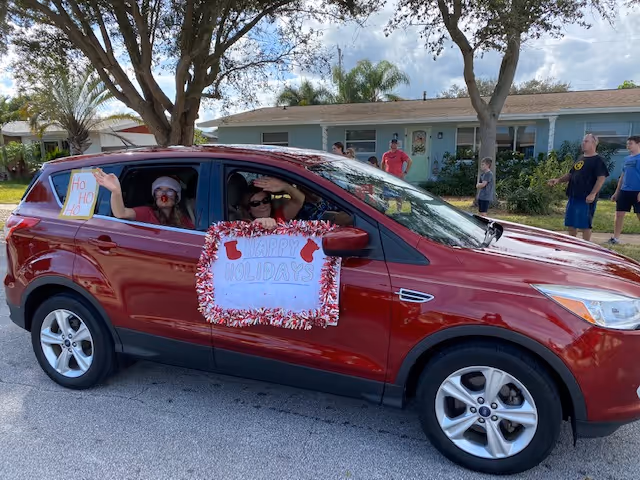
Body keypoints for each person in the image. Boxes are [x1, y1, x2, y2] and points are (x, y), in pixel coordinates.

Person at [548, 133, 608, 242]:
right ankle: (572, 244)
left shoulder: (598, 160)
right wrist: (558, 180)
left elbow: (601, 178)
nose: (583, 143)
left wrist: (593, 194)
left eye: (586, 141)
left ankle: (586, 246)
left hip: (586, 198)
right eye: (583, 141)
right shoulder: (580, 158)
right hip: (573, 195)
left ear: (594, 143)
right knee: (571, 223)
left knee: (584, 224)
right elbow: (571, 174)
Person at [94, 169, 194, 229]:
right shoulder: (146, 212)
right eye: (159, 190)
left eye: (169, 191)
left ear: (177, 197)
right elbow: (121, 213)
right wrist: (116, 191)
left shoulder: (183, 219)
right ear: (154, 195)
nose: (164, 194)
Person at [608, 135, 640, 245]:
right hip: (624, 191)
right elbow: (622, 176)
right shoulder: (626, 159)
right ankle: (615, 238)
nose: (628, 146)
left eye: (630, 143)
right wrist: (617, 192)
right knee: (619, 214)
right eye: (627, 144)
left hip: (637, 192)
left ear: (638, 144)